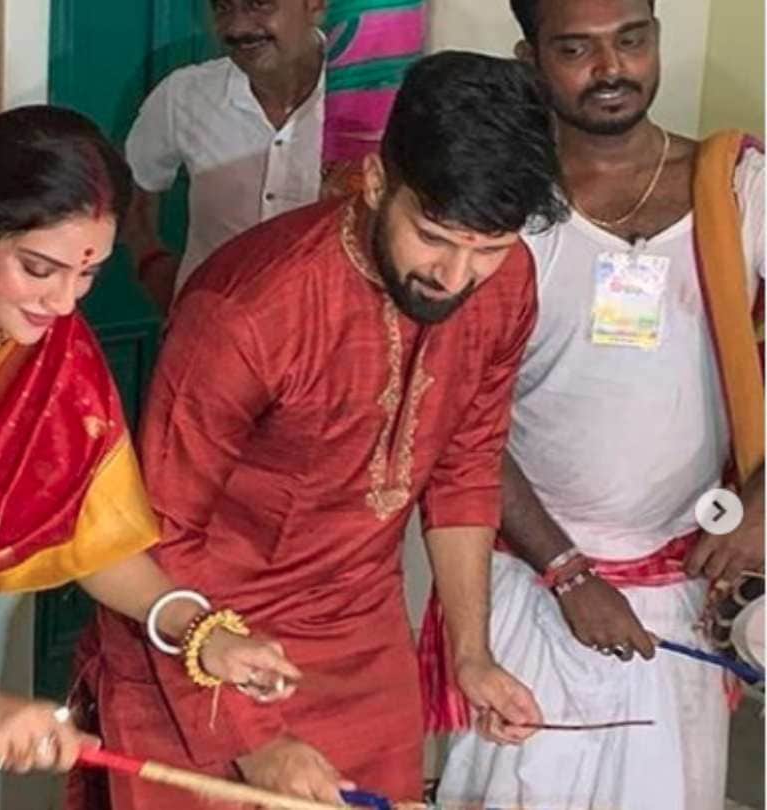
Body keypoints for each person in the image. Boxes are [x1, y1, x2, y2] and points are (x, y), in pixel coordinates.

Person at [80, 51, 569, 809]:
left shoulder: (504, 285)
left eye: (490, 247)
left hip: (361, 644)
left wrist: (472, 654)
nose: (455, 277)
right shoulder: (247, 311)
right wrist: (255, 739)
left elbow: (467, 466)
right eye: (435, 236)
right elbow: (159, 535)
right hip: (200, 645)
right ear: (377, 182)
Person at [0, 105, 300, 810]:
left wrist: (199, 632)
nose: (63, 302)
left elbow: (92, 539)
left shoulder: (54, 360)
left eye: (86, 274)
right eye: (39, 269)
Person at [436, 2, 764, 809]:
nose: (611, 69)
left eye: (632, 40)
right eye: (576, 48)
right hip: (524, 591)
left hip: (687, 587)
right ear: (530, 56)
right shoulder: (499, 211)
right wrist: (565, 570)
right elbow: (457, 418)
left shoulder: (739, 188)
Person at [125, 0, 427, 312]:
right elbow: (135, 186)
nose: (237, 28)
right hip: (209, 331)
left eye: (259, 5)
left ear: (315, 5)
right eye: (222, 9)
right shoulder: (183, 96)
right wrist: (151, 263)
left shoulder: (374, 106)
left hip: (324, 337)